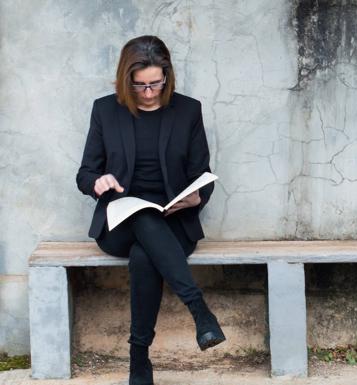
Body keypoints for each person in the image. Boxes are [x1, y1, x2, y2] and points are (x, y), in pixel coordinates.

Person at [76, 35, 225, 385]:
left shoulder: (188, 110)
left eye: (155, 84)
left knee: (145, 256)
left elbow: (202, 173)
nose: (148, 92)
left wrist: (197, 197)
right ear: (126, 80)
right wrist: (97, 183)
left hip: (173, 223)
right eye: (140, 85)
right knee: (142, 215)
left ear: (167, 76)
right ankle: (200, 312)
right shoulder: (105, 110)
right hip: (119, 225)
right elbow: (85, 173)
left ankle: (138, 358)